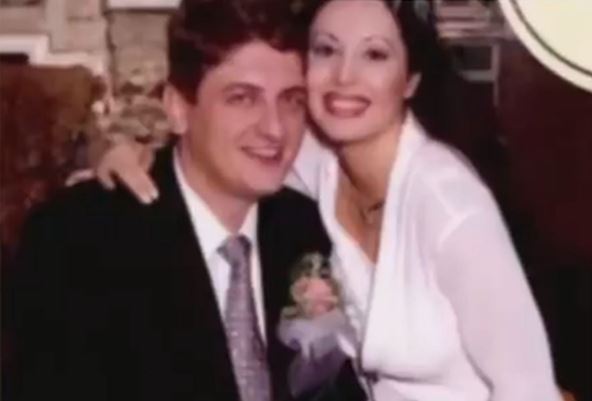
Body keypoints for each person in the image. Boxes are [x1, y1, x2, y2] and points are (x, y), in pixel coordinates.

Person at [87, 0, 564, 400]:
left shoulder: (450, 208)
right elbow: (219, 146)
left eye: (374, 54)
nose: (344, 76)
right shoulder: (311, 163)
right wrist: (121, 149)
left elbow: (530, 389)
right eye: (326, 50)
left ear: (411, 81)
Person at [5, 1, 365, 400]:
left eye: (291, 100)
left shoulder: (305, 229)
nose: (275, 128)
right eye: (242, 98)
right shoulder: (77, 242)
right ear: (177, 108)